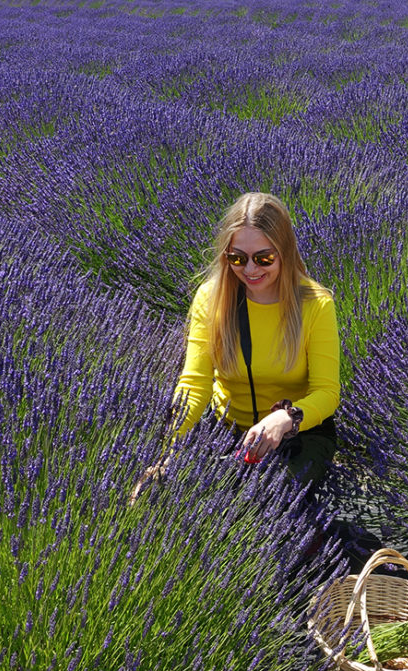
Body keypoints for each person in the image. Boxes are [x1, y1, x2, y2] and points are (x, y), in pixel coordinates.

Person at [132, 191, 341, 502]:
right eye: (237, 258)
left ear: (284, 251)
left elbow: (327, 392)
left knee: (270, 497)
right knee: (184, 492)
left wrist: (287, 418)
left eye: (264, 258)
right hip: (227, 430)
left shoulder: (315, 304)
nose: (250, 270)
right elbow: (194, 384)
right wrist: (165, 452)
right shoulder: (211, 298)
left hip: (299, 432)